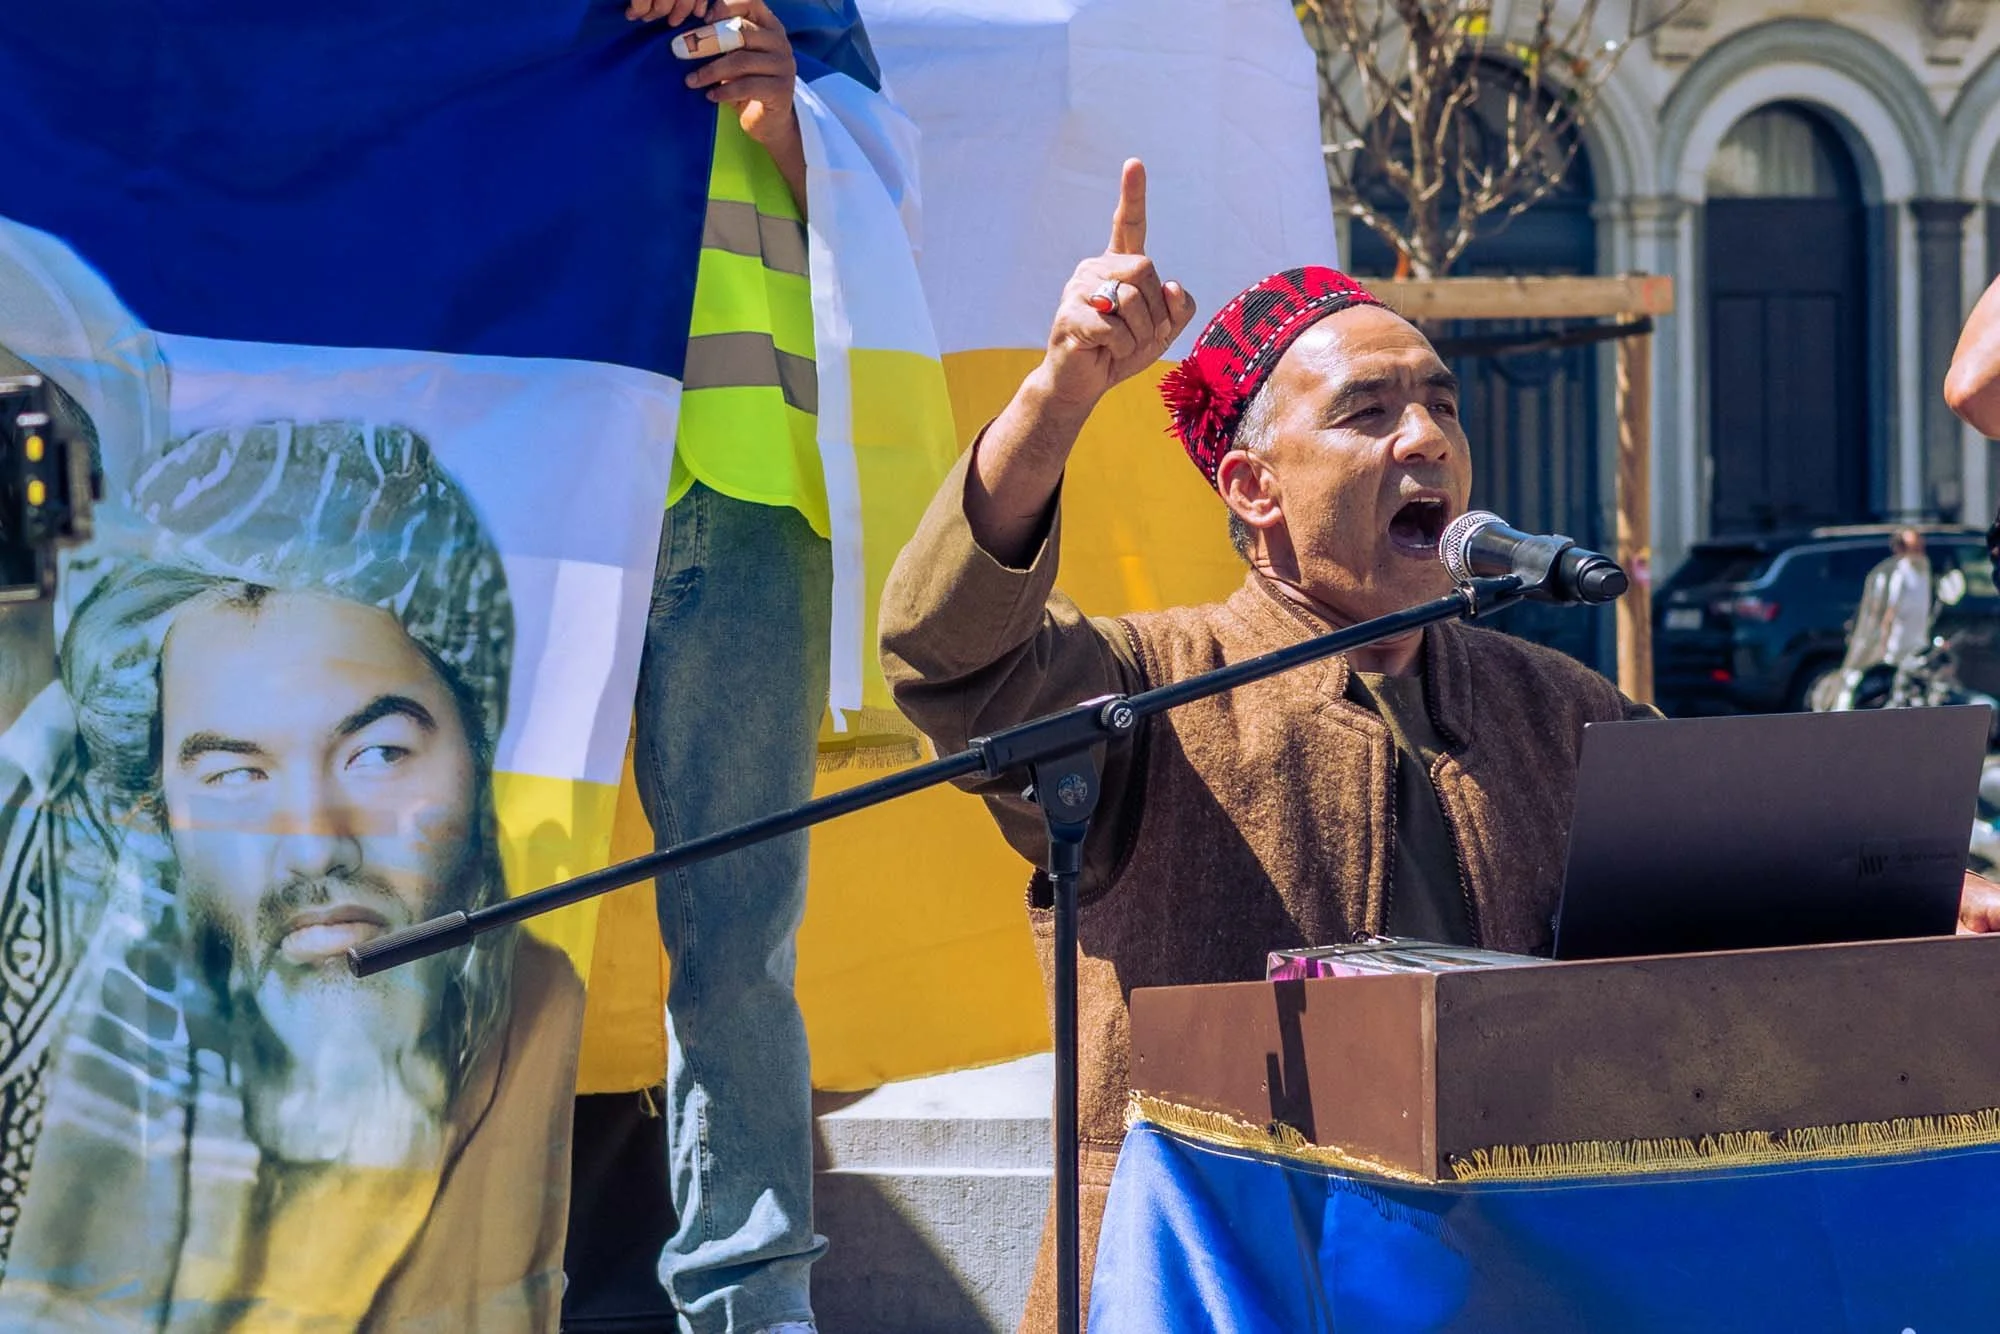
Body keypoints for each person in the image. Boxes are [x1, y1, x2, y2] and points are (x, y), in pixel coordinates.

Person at [878, 162, 2000, 1331]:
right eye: (1367, 411)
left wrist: (1930, 895)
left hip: (1509, 1284)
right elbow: (947, 649)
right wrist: (1061, 391)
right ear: (1254, 488)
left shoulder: (1560, 707)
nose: (1426, 436)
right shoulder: (1146, 692)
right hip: (1204, 1287)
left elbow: (1748, 882)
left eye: (1442, 403)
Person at [0, 420, 583, 1331]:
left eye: (378, 754)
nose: (316, 848)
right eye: (237, 775)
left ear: (477, 754)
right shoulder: (57, 1049)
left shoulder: (548, 1018)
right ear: (161, 811)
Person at [1816, 528, 1934, 712]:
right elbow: (1888, 611)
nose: (1919, 549)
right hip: (1896, 645)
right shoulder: (1897, 573)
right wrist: (1883, 644)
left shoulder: (1923, 568)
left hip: (1916, 643)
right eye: (1913, 545)